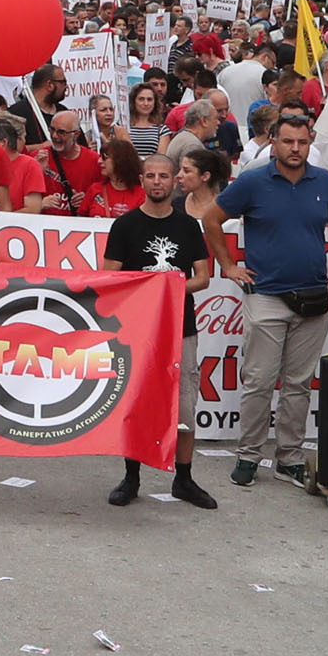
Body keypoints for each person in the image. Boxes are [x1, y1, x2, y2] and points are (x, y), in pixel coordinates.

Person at [217, 111, 328, 490]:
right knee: (259, 381)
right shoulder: (252, 181)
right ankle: (248, 455)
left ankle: (289, 458)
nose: (296, 148)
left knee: (298, 384)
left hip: (314, 297)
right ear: (273, 142)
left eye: (303, 142)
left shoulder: (325, 182)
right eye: (288, 141)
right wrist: (228, 265)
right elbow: (212, 219)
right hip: (266, 295)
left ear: (310, 143)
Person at [100, 138, 224, 509]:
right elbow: (111, 278)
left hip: (180, 328)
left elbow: (203, 277)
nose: (157, 182)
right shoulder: (124, 226)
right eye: (151, 176)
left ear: (174, 181)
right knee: (136, 403)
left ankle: (183, 478)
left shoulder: (188, 227)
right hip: (137, 331)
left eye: (164, 176)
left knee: (185, 407)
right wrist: (148, 292)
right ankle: (131, 476)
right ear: (142, 180)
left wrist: (167, 289)